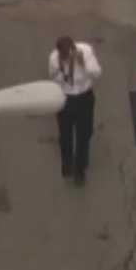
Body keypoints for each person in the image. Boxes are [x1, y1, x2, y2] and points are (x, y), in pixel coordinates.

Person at [48, 36, 102, 186]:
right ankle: (67, 165)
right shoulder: (54, 59)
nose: (66, 59)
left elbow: (97, 73)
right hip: (65, 98)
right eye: (63, 56)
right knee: (65, 136)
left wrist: (83, 65)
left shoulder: (86, 52)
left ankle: (80, 168)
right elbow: (53, 79)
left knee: (85, 133)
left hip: (84, 97)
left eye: (68, 56)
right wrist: (62, 71)